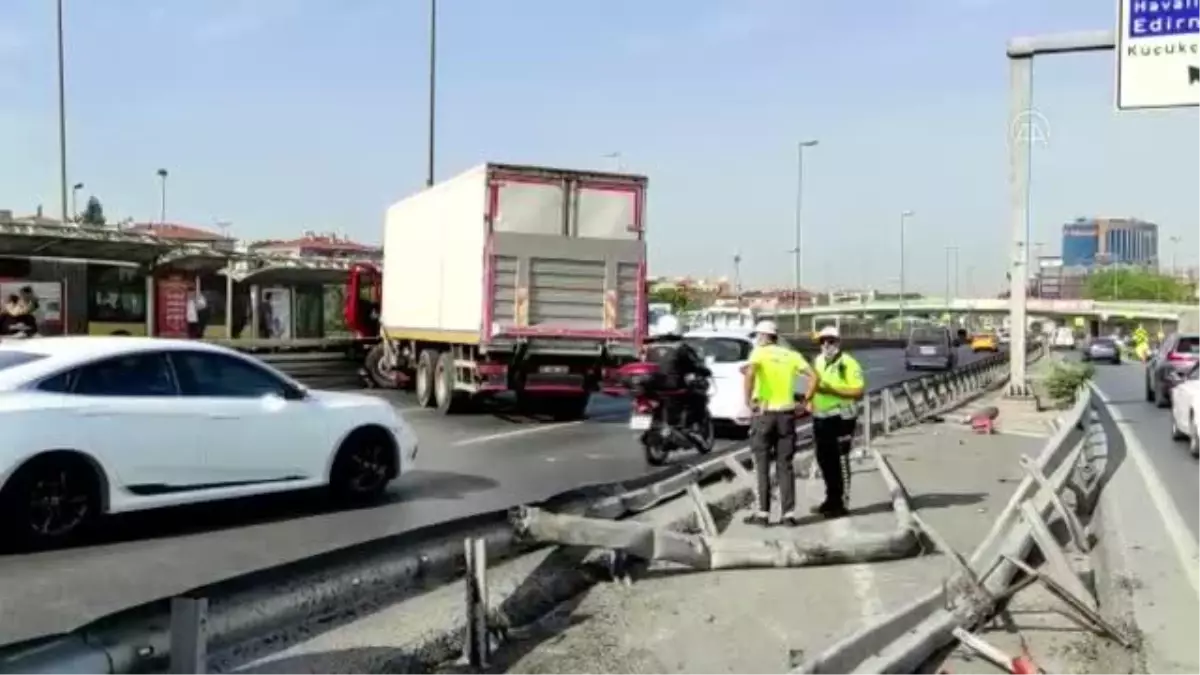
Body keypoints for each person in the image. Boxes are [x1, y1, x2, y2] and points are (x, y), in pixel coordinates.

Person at [741, 320, 811, 526]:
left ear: (763, 336)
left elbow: (751, 373)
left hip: (764, 414)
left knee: (761, 465)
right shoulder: (791, 355)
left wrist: (747, 400)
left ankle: (762, 514)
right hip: (787, 415)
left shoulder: (759, 353)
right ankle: (788, 515)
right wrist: (805, 401)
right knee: (785, 466)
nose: (756, 340)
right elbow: (813, 376)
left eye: (757, 336)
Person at [806, 326, 866, 519]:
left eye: (830, 341)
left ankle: (842, 503)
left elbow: (858, 392)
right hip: (821, 417)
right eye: (822, 341)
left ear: (838, 342)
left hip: (842, 417)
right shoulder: (818, 361)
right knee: (825, 460)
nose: (826, 345)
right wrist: (809, 400)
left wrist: (834, 392)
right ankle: (831, 499)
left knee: (840, 459)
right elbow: (814, 383)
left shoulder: (848, 363)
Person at [644, 315, 710, 428]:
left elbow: (645, 364)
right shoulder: (681, 347)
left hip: (653, 386)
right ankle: (691, 424)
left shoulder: (650, 347)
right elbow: (693, 364)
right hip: (674, 386)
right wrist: (704, 371)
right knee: (698, 395)